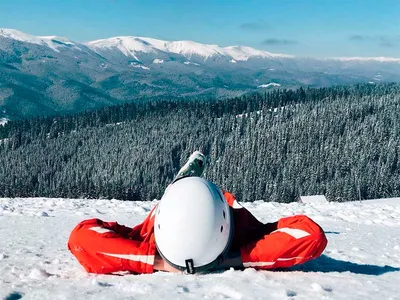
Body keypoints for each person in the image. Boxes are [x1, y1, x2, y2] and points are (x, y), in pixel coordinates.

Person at [68, 151, 327, 274]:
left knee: (187, 192)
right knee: (179, 190)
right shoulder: (155, 234)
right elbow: (81, 238)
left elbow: (311, 235)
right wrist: (157, 261)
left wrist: (233, 260)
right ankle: (182, 181)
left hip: (215, 205)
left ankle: (184, 180)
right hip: (177, 205)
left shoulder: (241, 227)